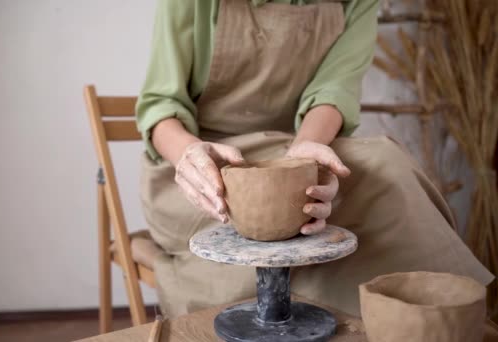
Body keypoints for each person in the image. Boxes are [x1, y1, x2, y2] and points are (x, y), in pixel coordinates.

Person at [135, 0, 494, 318]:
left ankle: (445, 317)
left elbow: (333, 90)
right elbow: (161, 105)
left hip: (293, 149)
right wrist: (187, 153)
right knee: (354, 198)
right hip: (199, 165)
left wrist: (303, 156)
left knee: (382, 166)